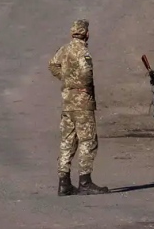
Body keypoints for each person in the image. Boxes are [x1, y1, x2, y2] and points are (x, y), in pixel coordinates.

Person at [48, 19, 108, 196]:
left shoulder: (65, 49)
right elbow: (86, 74)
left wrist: (66, 79)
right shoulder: (82, 51)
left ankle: (64, 181)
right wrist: (79, 84)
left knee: (67, 141)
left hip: (68, 102)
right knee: (88, 140)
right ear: (86, 33)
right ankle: (85, 181)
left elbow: (52, 64)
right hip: (82, 102)